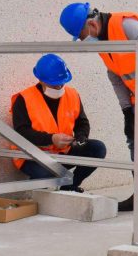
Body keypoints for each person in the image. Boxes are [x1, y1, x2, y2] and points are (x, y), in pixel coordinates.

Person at [59, 2, 138, 216]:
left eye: (82, 36)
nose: (83, 41)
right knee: (135, 140)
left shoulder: (127, 25)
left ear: (92, 24)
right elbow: (115, 76)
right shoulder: (103, 42)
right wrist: (127, 110)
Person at [11, 54, 106, 192]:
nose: (59, 87)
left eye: (62, 82)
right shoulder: (24, 98)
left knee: (97, 148)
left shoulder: (72, 94)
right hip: (32, 156)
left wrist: (81, 137)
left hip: (62, 152)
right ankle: (38, 189)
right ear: (41, 80)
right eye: (54, 84)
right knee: (47, 174)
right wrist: (51, 139)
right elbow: (22, 132)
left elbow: (82, 122)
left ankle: (69, 187)